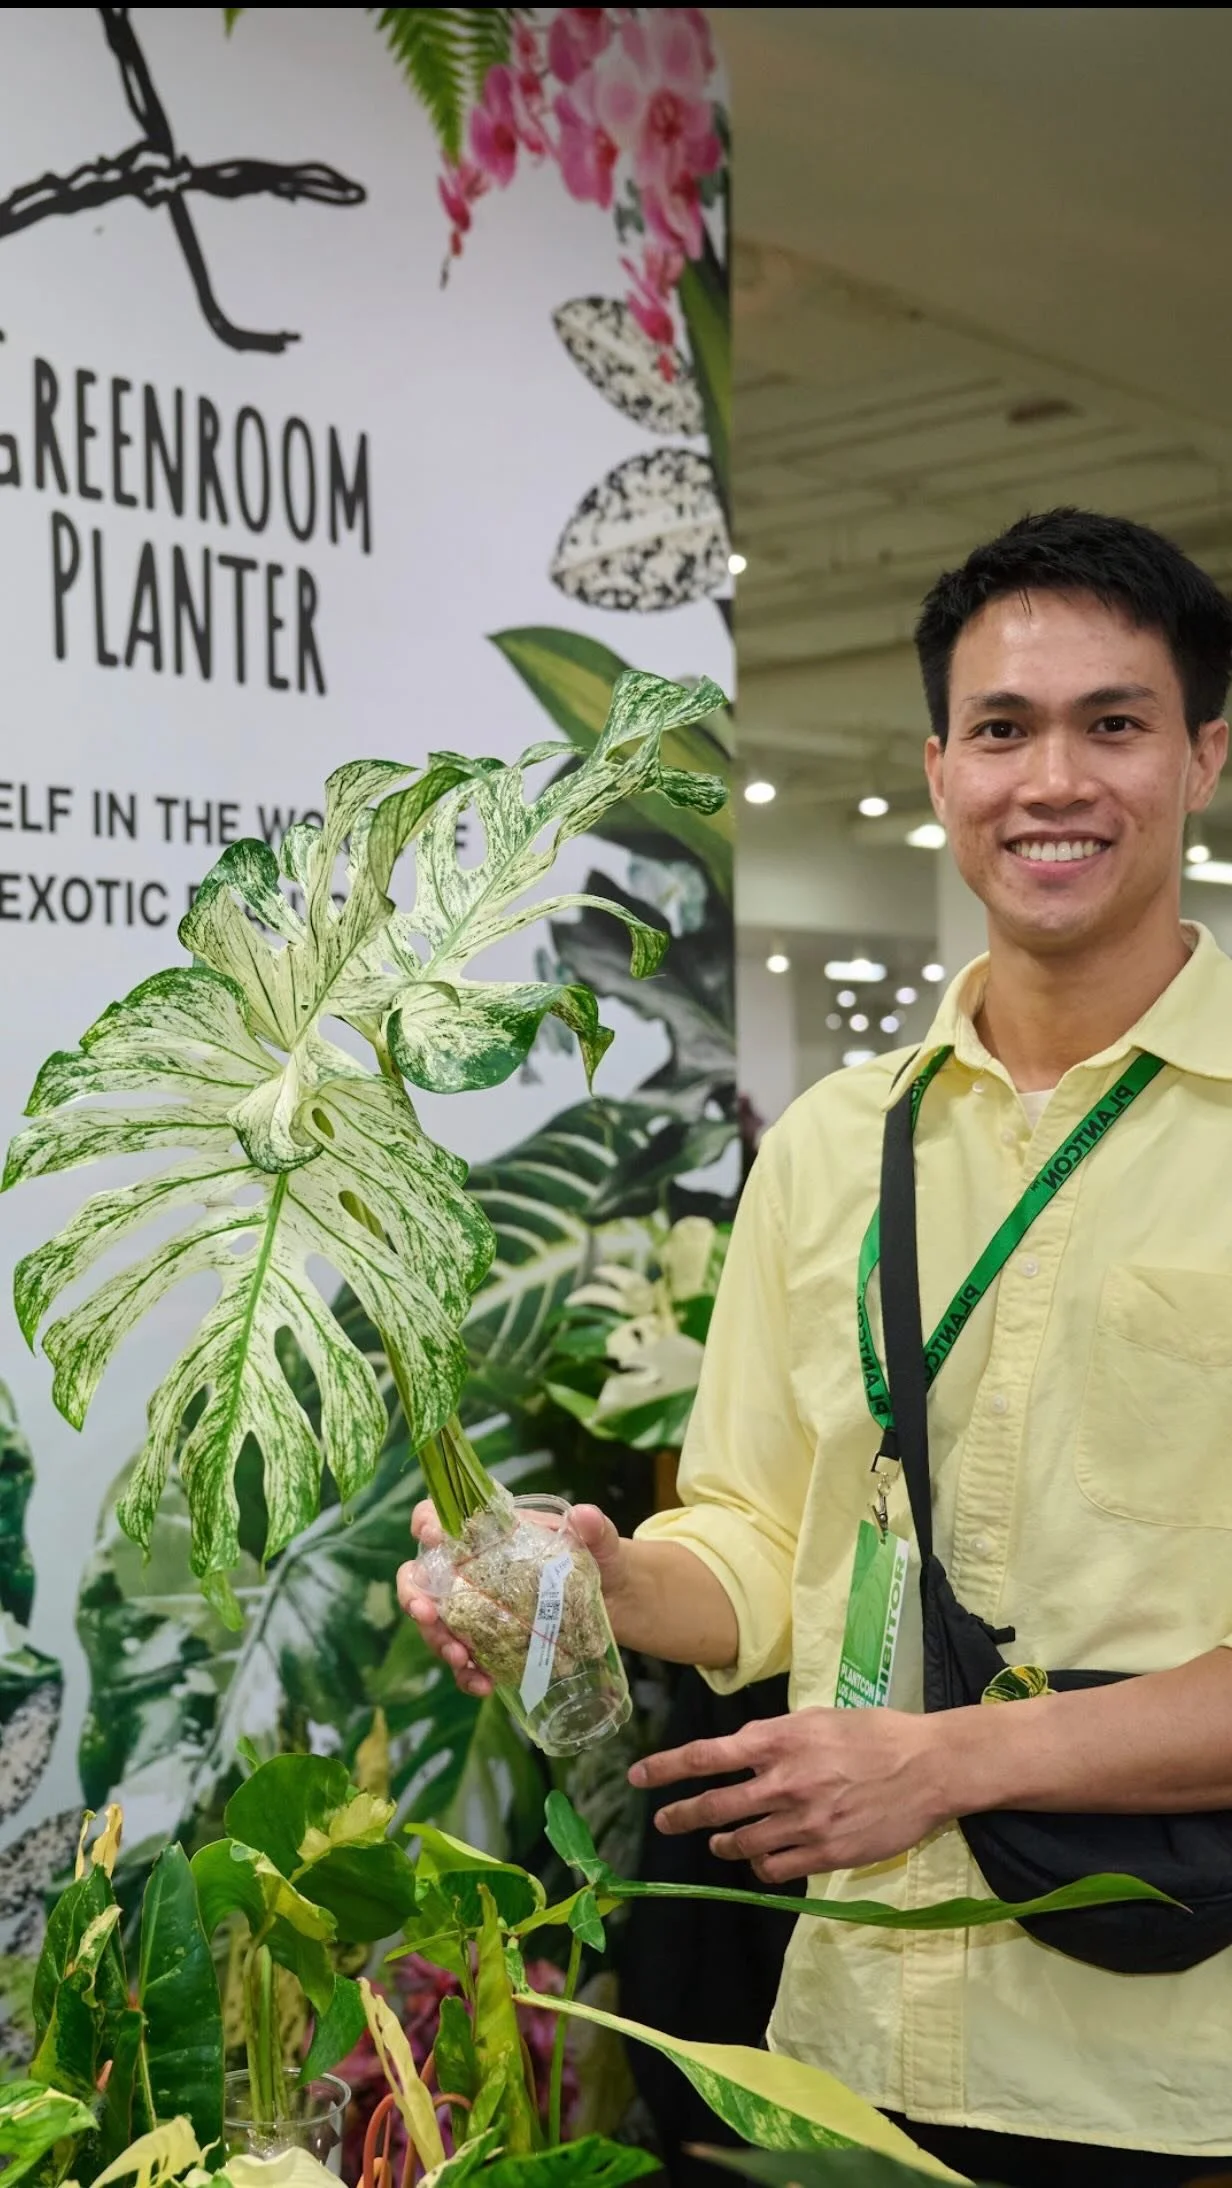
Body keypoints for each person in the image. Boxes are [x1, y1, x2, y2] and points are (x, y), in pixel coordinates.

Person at [399, 509, 1232, 2188]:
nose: (1051, 779)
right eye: (1001, 728)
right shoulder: (838, 1144)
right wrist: (604, 1579)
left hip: (1175, 2068)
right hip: (853, 2048)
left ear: (1205, 756)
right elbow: (763, 1537)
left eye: (1113, 724)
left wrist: (948, 1761)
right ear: (939, 769)